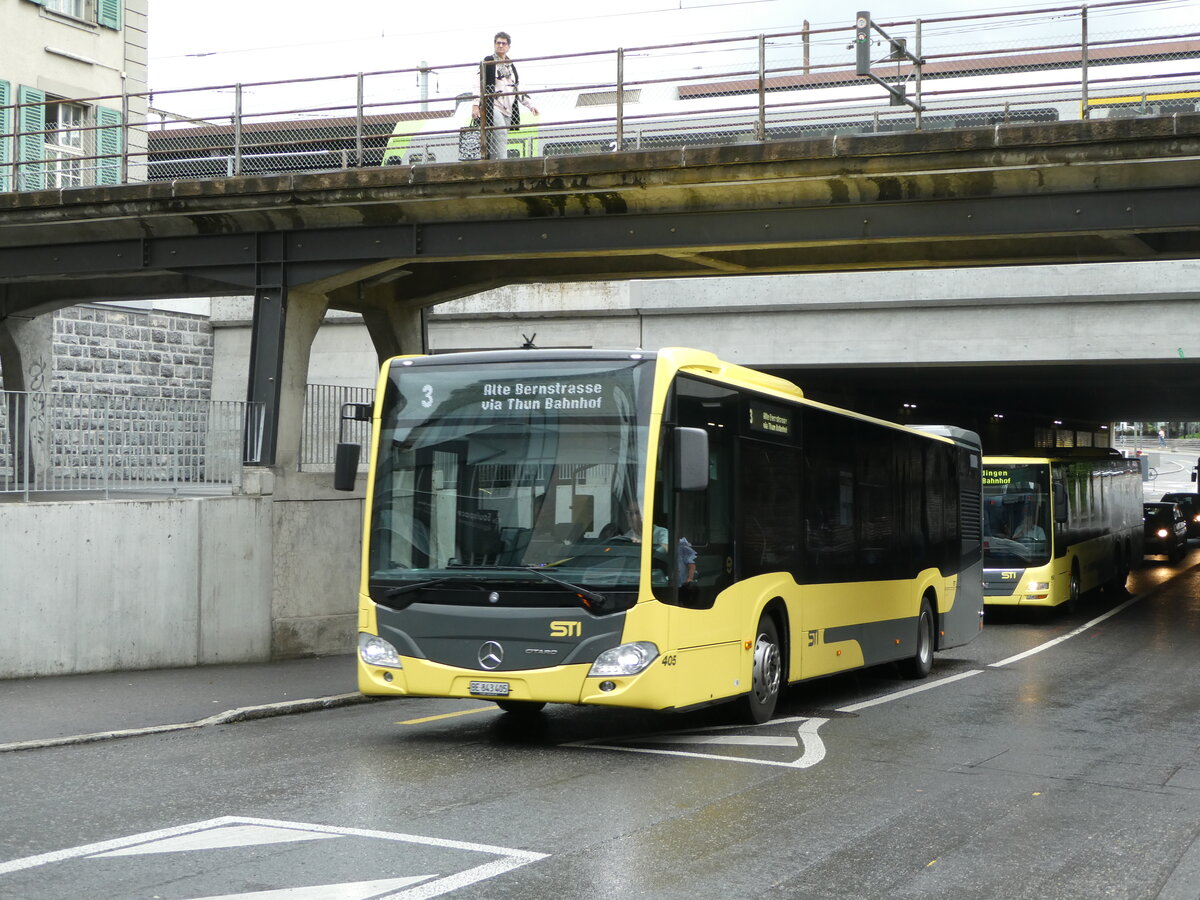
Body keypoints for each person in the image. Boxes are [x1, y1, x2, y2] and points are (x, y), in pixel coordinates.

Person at [473, 31, 538, 161]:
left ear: (508, 46)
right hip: (493, 105)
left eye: (503, 43)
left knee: (500, 137)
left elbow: (518, 88)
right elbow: (478, 83)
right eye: (498, 43)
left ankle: (494, 162)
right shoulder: (488, 62)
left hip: (508, 108)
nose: (500, 46)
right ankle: (504, 163)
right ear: (494, 44)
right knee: (501, 132)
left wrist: (531, 106)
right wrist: (475, 104)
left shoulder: (511, 66)